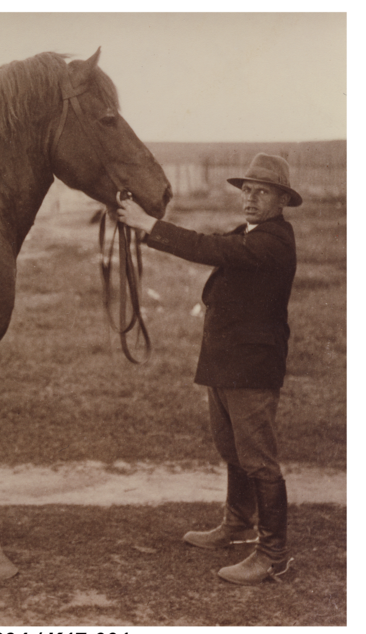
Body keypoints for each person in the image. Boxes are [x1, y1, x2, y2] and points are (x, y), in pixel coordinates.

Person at [115, 153, 300, 585]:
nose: (250, 198)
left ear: (282, 200)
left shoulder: (274, 240)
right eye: (247, 190)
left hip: (252, 366)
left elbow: (210, 248)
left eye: (262, 192)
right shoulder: (249, 231)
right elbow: (217, 247)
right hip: (226, 361)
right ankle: (237, 524)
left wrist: (149, 225)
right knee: (231, 448)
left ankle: (274, 554)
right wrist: (138, 225)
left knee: (259, 461)